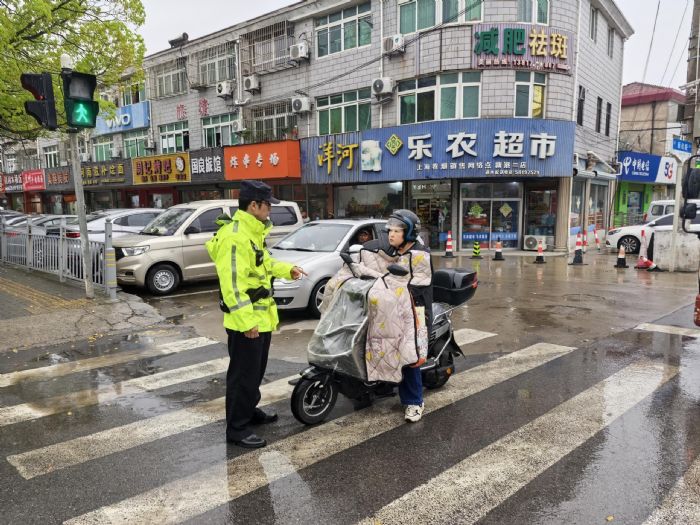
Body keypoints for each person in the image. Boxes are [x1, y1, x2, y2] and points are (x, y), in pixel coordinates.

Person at [206, 180, 307, 448]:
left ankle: (249, 410)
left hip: (261, 318)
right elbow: (232, 286)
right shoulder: (235, 237)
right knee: (242, 376)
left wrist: (288, 270)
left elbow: (264, 263)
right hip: (246, 322)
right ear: (254, 205)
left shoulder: (253, 232)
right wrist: (247, 322)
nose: (270, 210)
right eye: (267, 206)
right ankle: (237, 429)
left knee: (254, 372)